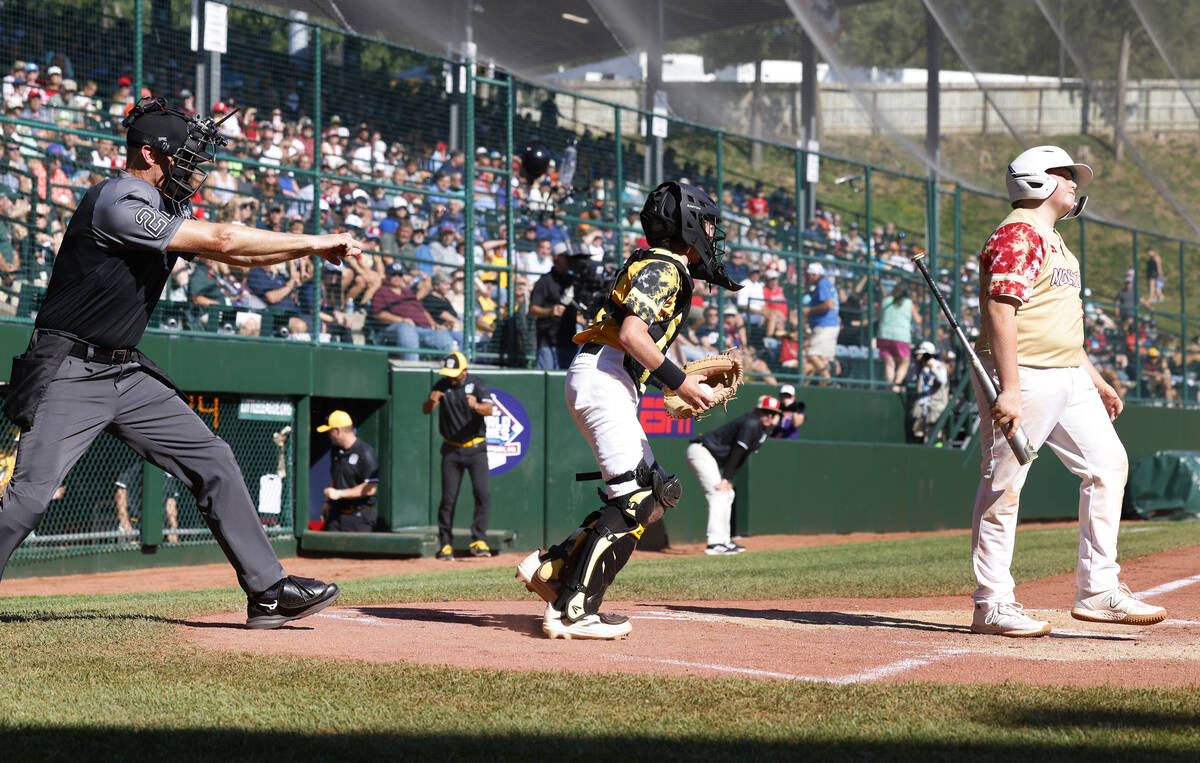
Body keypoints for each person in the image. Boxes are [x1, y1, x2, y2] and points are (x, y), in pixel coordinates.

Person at [0, 97, 356, 628]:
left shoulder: (165, 206)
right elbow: (224, 239)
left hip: (125, 372)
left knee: (213, 459)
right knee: (29, 499)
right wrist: (313, 238)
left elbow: (239, 253)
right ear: (149, 152)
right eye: (186, 154)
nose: (196, 165)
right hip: (71, 368)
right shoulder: (119, 199)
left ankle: (268, 590)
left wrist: (304, 252)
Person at [514, 180, 741, 640]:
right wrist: (680, 381)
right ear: (692, 226)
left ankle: (554, 567)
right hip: (604, 378)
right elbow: (633, 335)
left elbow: (630, 342)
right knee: (638, 497)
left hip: (603, 375)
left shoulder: (659, 263)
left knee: (655, 495)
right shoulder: (666, 267)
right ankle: (573, 610)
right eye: (710, 225)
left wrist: (674, 383)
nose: (714, 235)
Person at [968, 145, 1166, 638]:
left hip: (1065, 372)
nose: (1076, 183)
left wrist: (1095, 379)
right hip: (1025, 373)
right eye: (1065, 175)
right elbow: (1000, 310)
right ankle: (991, 603)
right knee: (1004, 484)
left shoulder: (1051, 238)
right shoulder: (1019, 232)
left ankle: (1098, 589)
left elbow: (1058, 321)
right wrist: (1009, 389)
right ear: (1037, 181)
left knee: (1107, 465)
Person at [686, 395, 782, 554]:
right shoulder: (752, 422)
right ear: (757, 410)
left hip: (710, 456)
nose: (769, 416)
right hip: (700, 451)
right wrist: (726, 478)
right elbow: (738, 451)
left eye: (773, 413)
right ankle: (714, 543)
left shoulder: (763, 429)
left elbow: (743, 455)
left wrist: (728, 478)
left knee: (728, 493)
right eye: (766, 412)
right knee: (718, 493)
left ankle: (724, 540)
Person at [422, 352, 494, 560]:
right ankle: (445, 544)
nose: (452, 378)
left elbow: (489, 409)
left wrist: (475, 405)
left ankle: (479, 540)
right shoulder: (441, 385)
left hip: (476, 448)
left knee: (482, 494)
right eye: (449, 374)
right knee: (448, 498)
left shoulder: (477, 384)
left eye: (455, 374)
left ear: (465, 370)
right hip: (451, 449)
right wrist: (431, 401)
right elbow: (426, 410)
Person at [315, 411, 379, 532]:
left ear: (338, 431)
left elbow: (371, 487)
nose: (328, 435)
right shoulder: (336, 452)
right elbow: (336, 478)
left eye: (330, 431)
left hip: (360, 518)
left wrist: (339, 494)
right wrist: (327, 502)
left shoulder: (365, 452)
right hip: (336, 516)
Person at [528, 252, 579, 370]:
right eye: (566, 257)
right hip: (548, 341)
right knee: (546, 381)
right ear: (557, 258)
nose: (569, 261)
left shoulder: (574, 281)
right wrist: (550, 311)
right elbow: (533, 309)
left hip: (570, 340)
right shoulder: (545, 281)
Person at [877, 281, 919, 391]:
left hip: (884, 334)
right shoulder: (909, 303)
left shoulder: (885, 300)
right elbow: (918, 320)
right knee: (905, 363)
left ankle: (889, 387)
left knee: (889, 364)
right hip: (902, 337)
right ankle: (896, 387)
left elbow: (878, 316)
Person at [802, 262, 840, 381]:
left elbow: (828, 305)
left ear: (814, 275)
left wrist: (809, 310)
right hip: (829, 326)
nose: (808, 278)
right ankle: (828, 381)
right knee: (823, 358)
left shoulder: (823, 283)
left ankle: (829, 382)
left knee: (812, 355)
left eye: (809, 275)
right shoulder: (824, 283)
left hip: (825, 326)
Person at [910, 341, 949, 443]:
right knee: (918, 432)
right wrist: (917, 364)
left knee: (934, 433)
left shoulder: (938, 366)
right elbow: (910, 378)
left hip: (936, 404)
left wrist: (932, 367)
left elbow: (942, 380)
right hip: (922, 403)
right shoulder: (920, 368)